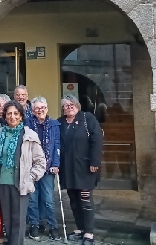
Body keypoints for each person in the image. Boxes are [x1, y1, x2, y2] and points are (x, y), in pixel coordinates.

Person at [0, 101, 46, 245]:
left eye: (16, 114)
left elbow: (41, 162)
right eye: (9, 113)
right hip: (2, 182)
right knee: (7, 220)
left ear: (21, 116)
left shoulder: (29, 135)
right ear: (4, 116)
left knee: (18, 221)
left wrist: (31, 177)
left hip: (21, 184)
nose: (12, 117)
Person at [58, 95, 103, 245]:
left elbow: (97, 139)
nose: (69, 107)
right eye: (66, 105)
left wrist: (95, 161)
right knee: (74, 200)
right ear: (63, 108)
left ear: (77, 105)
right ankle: (81, 228)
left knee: (85, 199)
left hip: (85, 166)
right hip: (68, 167)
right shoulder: (60, 122)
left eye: (72, 104)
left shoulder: (87, 118)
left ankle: (89, 233)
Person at [26, 97, 61, 240]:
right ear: (32, 110)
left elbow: (57, 146)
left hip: (48, 168)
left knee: (48, 199)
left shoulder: (54, 124)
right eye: (37, 108)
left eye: (42, 108)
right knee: (32, 199)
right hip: (32, 167)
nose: (40, 110)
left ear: (47, 108)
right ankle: (34, 225)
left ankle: (53, 226)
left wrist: (56, 164)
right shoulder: (27, 123)